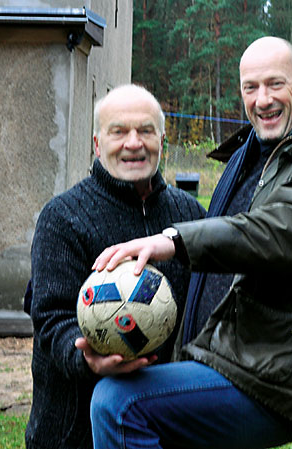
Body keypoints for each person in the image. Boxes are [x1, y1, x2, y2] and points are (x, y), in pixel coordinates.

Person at [89, 36, 292, 448]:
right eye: (250, 88)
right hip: (216, 358)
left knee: (119, 403)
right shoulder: (250, 153)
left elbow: (273, 233)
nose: (263, 100)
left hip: (268, 377)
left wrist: (173, 240)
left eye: (275, 84)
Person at [25, 84, 206, 449]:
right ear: (96, 143)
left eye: (146, 131)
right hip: (73, 432)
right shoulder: (63, 218)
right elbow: (51, 318)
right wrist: (85, 357)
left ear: (162, 140)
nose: (133, 143)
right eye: (119, 131)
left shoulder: (189, 217)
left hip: (164, 426)